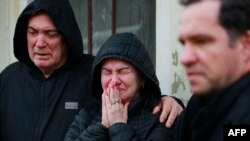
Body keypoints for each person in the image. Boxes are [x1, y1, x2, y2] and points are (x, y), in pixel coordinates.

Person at [0, 0, 183, 141]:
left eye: (51, 34)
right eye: (33, 32)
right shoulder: (8, 78)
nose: (39, 43)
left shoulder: (92, 72)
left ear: (66, 37)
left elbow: (136, 94)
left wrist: (171, 101)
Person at [64, 32, 176, 141]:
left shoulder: (161, 119)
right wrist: (101, 127)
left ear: (142, 78)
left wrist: (118, 126)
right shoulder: (85, 116)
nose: (114, 81)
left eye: (123, 71)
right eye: (107, 72)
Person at [176, 0, 250, 140]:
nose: (185, 58)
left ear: (246, 44)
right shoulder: (200, 101)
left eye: (202, 41)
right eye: (184, 43)